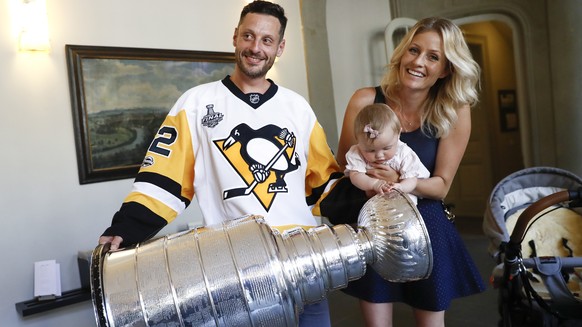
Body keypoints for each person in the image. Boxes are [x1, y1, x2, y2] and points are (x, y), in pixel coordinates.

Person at [98, 1, 340, 326]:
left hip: (305, 260)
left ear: (280, 47)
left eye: (267, 40)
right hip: (240, 270)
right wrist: (125, 229)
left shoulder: (297, 108)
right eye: (249, 36)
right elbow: (163, 179)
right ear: (235, 36)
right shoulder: (196, 104)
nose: (256, 47)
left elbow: (326, 185)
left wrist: (370, 200)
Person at [326, 17, 487, 326]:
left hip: (427, 228)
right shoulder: (364, 101)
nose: (418, 61)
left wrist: (401, 183)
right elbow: (344, 169)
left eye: (433, 56)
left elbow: (441, 187)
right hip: (372, 226)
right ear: (401, 53)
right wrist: (370, 181)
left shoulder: (454, 111)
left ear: (447, 68)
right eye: (414, 50)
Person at [346, 103, 429, 204]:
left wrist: (401, 186)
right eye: (371, 150)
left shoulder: (404, 153)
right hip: (371, 205)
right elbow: (355, 176)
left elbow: (412, 179)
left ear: (398, 134)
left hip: (402, 205)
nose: (379, 155)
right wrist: (374, 184)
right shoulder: (357, 153)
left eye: (387, 148)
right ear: (358, 141)